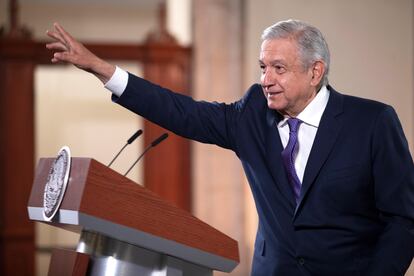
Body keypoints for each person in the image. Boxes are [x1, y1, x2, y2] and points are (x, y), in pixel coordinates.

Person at [46, 19, 414, 275]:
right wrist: (101, 69)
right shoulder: (253, 113)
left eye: (279, 69)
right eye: (262, 67)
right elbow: (181, 112)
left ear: (315, 72)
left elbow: (403, 218)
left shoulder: (372, 122)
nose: (266, 80)